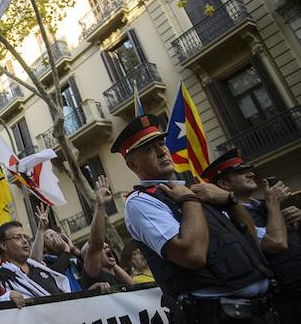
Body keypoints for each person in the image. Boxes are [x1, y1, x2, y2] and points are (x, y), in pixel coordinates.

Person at [117, 114, 276, 324]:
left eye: (161, 143)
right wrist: (190, 200)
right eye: (148, 149)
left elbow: (251, 239)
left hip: (262, 311)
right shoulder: (141, 202)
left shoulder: (196, 189)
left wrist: (230, 200)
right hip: (219, 316)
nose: (161, 151)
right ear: (133, 165)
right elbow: (192, 255)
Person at [202, 149, 300, 323]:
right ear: (224, 185)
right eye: (241, 172)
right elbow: (276, 244)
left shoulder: (266, 206)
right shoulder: (227, 218)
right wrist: (274, 204)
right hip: (286, 300)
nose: (251, 173)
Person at [0, 207, 71, 306]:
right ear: (3, 245)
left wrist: (41, 229)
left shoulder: (40, 269)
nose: (25, 240)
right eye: (17, 237)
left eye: (25, 236)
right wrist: (6, 298)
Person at [79, 176, 133, 292]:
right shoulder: (92, 271)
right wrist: (100, 206)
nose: (106, 246)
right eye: (101, 248)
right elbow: (96, 243)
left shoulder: (115, 272)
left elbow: (131, 284)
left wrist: (113, 265)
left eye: (106, 245)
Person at [30, 207, 83, 292]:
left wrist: (72, 248)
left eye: (54, 235)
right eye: (48, 238)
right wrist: (66, 251)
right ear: (44, 246)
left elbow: (88, 263)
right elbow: (56, 273)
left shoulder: (72, 261)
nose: (53, 238)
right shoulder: (47, 260)